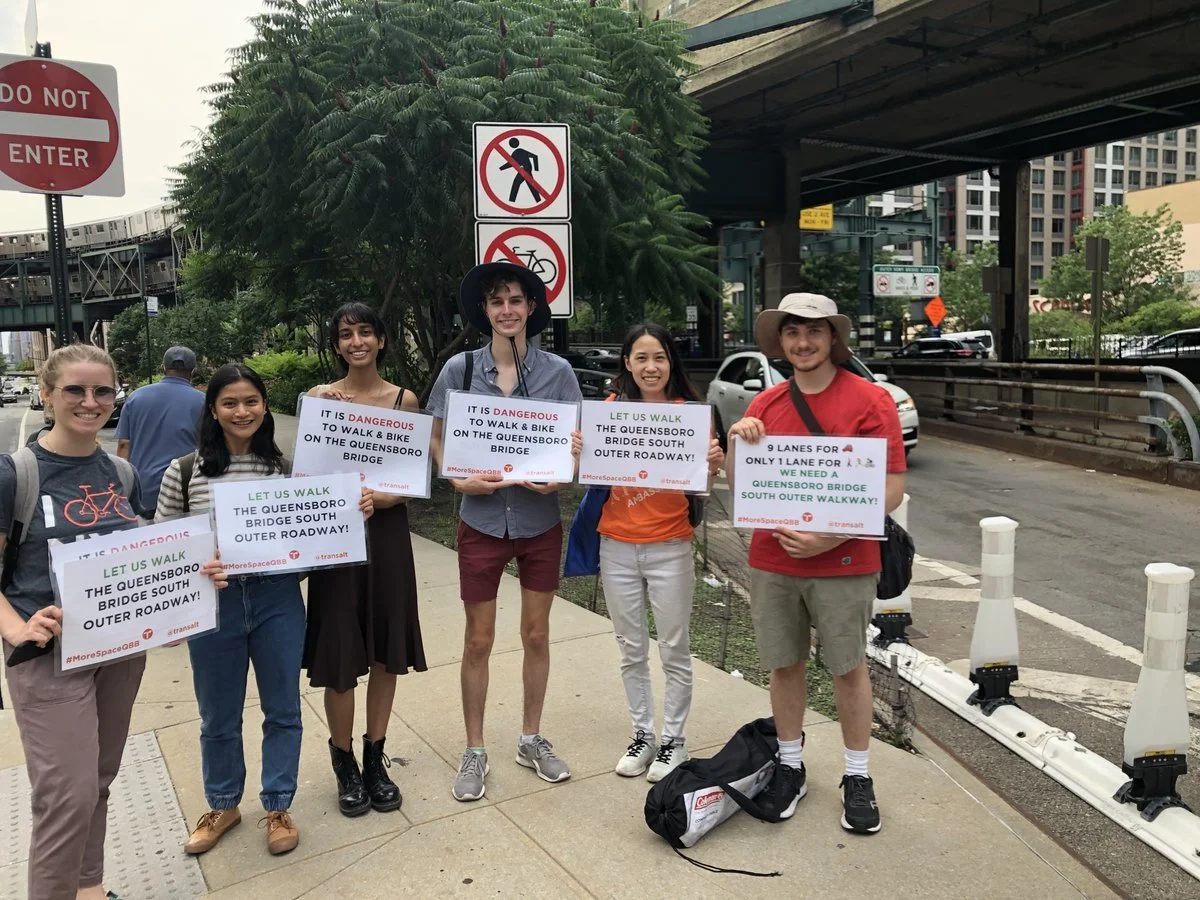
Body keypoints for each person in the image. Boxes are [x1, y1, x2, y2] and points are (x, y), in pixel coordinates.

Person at [0, 344, 227, 900]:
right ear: (47, 394)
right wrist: (15, 628)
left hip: (119, 650)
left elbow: (140, 558)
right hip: (48, 656)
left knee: (97, 781)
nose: (90, 401)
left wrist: (190, 581)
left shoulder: (121, 473)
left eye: (103, 390)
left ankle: (89, 887)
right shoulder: (16, 475)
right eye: (74, 390)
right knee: (66, 795)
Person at [155, 364, 372, 857]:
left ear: (265, 406)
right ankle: (223, 805)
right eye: (229, 403)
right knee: (218, 714)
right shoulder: (183, 471)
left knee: (283, 709)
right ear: (213, 410)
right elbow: (165, 546)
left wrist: (350, 510)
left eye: (251, 401)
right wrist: (196, 568)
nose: (242, 411)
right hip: (216, 604)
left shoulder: (285, 470)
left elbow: (313, 537)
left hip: (277, 599)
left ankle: (278, 805)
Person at [727, 293, 906, 835]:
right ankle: (790, 764)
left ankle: (857, 775)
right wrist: (737, 441)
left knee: (848, 667)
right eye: (792, 332)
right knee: (784, 664)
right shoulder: (764, 405)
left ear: (833, 338)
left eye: (813, 331)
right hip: (774, 559)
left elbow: (892, 488)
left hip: (846, 561)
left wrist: (829, 536)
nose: (802, 342)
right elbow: (741, 486)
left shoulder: (871, 401)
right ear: (780, 342)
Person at [428, 261, 583, 802]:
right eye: (497, 301)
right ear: (485, 310)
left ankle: (530, 738)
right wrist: (455, 477)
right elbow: (436, 433)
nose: (507, 310)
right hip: (482, 522)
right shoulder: (460, 370)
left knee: (537, 635)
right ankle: (475, 748)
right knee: (478, 639)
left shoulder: (558, 373)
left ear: (531, 308)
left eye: (516, 300)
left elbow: (575, 443)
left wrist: (562, 474)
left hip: (540, 522)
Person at [303, 303, 426, 818]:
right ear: (336, 345)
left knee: (383, 649)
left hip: (387, 536)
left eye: (366, 332)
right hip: (336, 541)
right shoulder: (319, 398)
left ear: (381, 339)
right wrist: (318, 408)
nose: (356, 341)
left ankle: (376, 757)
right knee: (339, 654)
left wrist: (383, 497)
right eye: (346, 334)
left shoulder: (403, 400)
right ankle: (344, 761)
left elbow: (411, 477)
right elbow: (306, 476)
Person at [590, 322, 724, 783]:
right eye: (642, 358)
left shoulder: (692, 415)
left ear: (672, 363)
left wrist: (713, 466)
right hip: (616, 546)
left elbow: (702, 489)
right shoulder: (609, 410)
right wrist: (578, 451)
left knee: (674, 649)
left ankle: (674, 740)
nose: (651, 367)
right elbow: (588, 473)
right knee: (631, 649)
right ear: (627, 362)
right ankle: (643, 735)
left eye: (660, 357)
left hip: (670, 547)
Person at [115, 346, 205, 516]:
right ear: (194, 371)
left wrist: (121, 487)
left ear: (162, 368)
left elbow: (124, 444)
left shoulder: (137, 397)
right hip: (185, 490)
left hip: (143, 490)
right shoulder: (203, 401)